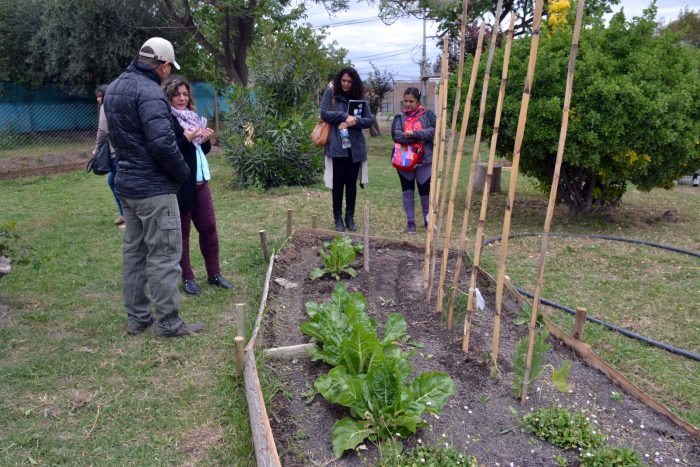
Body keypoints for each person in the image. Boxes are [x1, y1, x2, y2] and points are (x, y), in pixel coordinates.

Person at [103, 37, 204, 337]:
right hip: (155, 189)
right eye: (169, 67)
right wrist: (182, 173)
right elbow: (162, 144)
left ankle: (137, 317)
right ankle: (169, 323)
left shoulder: (116, 87)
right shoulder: (149, 91)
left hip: (128, 185)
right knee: (163, 255)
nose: (168, 73)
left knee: (134, 253)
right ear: (162, 65)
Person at [162, 76, 233, 296]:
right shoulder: (167, 120)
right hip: (182, 185)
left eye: (184, 94)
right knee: (182, 234)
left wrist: (203, 141)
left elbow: (200, 152)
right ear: (169, 96)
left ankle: (214, 273)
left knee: (209, 228)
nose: (182, 98)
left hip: (202, 183)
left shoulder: (192, 118)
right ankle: (188, 278)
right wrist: (187, 139)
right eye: (176, 94)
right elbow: (169, 150)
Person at [320, 67, 372, 232]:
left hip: (355, 147)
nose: (346, 84)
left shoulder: (360, 96)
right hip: (337, 145)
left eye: (349, 81)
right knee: (338, 183)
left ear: (354, 82)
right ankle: (338, 218)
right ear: (339, 80)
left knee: (351, 184)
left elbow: (369, 120)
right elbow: (324, 113)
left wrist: (353, 121)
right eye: (343, 81)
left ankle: (350, 217)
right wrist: (343, 116)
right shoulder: (332, 92)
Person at [391, 87, 436, 233]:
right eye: (406, 101)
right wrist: (416, 138)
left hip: (425, 160)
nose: (408, 104)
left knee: (425, 191)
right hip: (404, 160)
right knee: (408, 191)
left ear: (418, 102)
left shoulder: (428, 115)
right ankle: (410, 223)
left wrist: (414, 134)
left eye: (411, 101)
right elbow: (396, 135)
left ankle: (427, 220)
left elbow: (434, 131)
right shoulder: (399, 117)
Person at [92, 84, 125, 228]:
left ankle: (129, 218)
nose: (98, 99)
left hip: (115, 153)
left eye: (100, 96)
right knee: (112, 181)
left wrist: (97, 148)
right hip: (122, 151)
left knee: (120, 185)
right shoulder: (121, 105)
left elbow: (103, 130)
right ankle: (123, 214)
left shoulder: (106, 106)